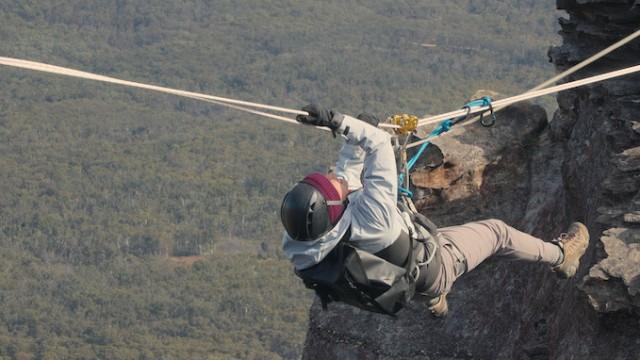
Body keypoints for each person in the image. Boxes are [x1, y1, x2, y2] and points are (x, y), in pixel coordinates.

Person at [280, 104, 589, 316]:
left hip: (394, 271)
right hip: (434, 264)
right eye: (330, 183)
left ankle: (434, 295)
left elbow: (346, 177)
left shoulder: (302, 242)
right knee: (498, 233)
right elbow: (379, 145)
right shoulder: (374, 218)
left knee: (419, 255)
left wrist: (353, 137)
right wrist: (339, 121)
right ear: (332, 209)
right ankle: (562, 257)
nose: (333, 176)